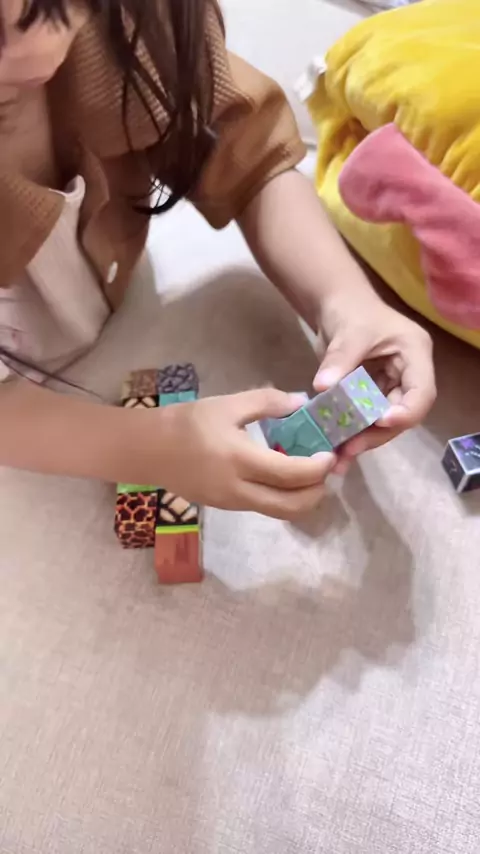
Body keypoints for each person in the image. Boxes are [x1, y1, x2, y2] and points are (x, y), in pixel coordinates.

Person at [0, 0, 436, 520]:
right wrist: (145, 445)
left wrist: (344, 300)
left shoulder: (136, 21)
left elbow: (250, 156)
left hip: (114, 303)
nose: (36, 47)